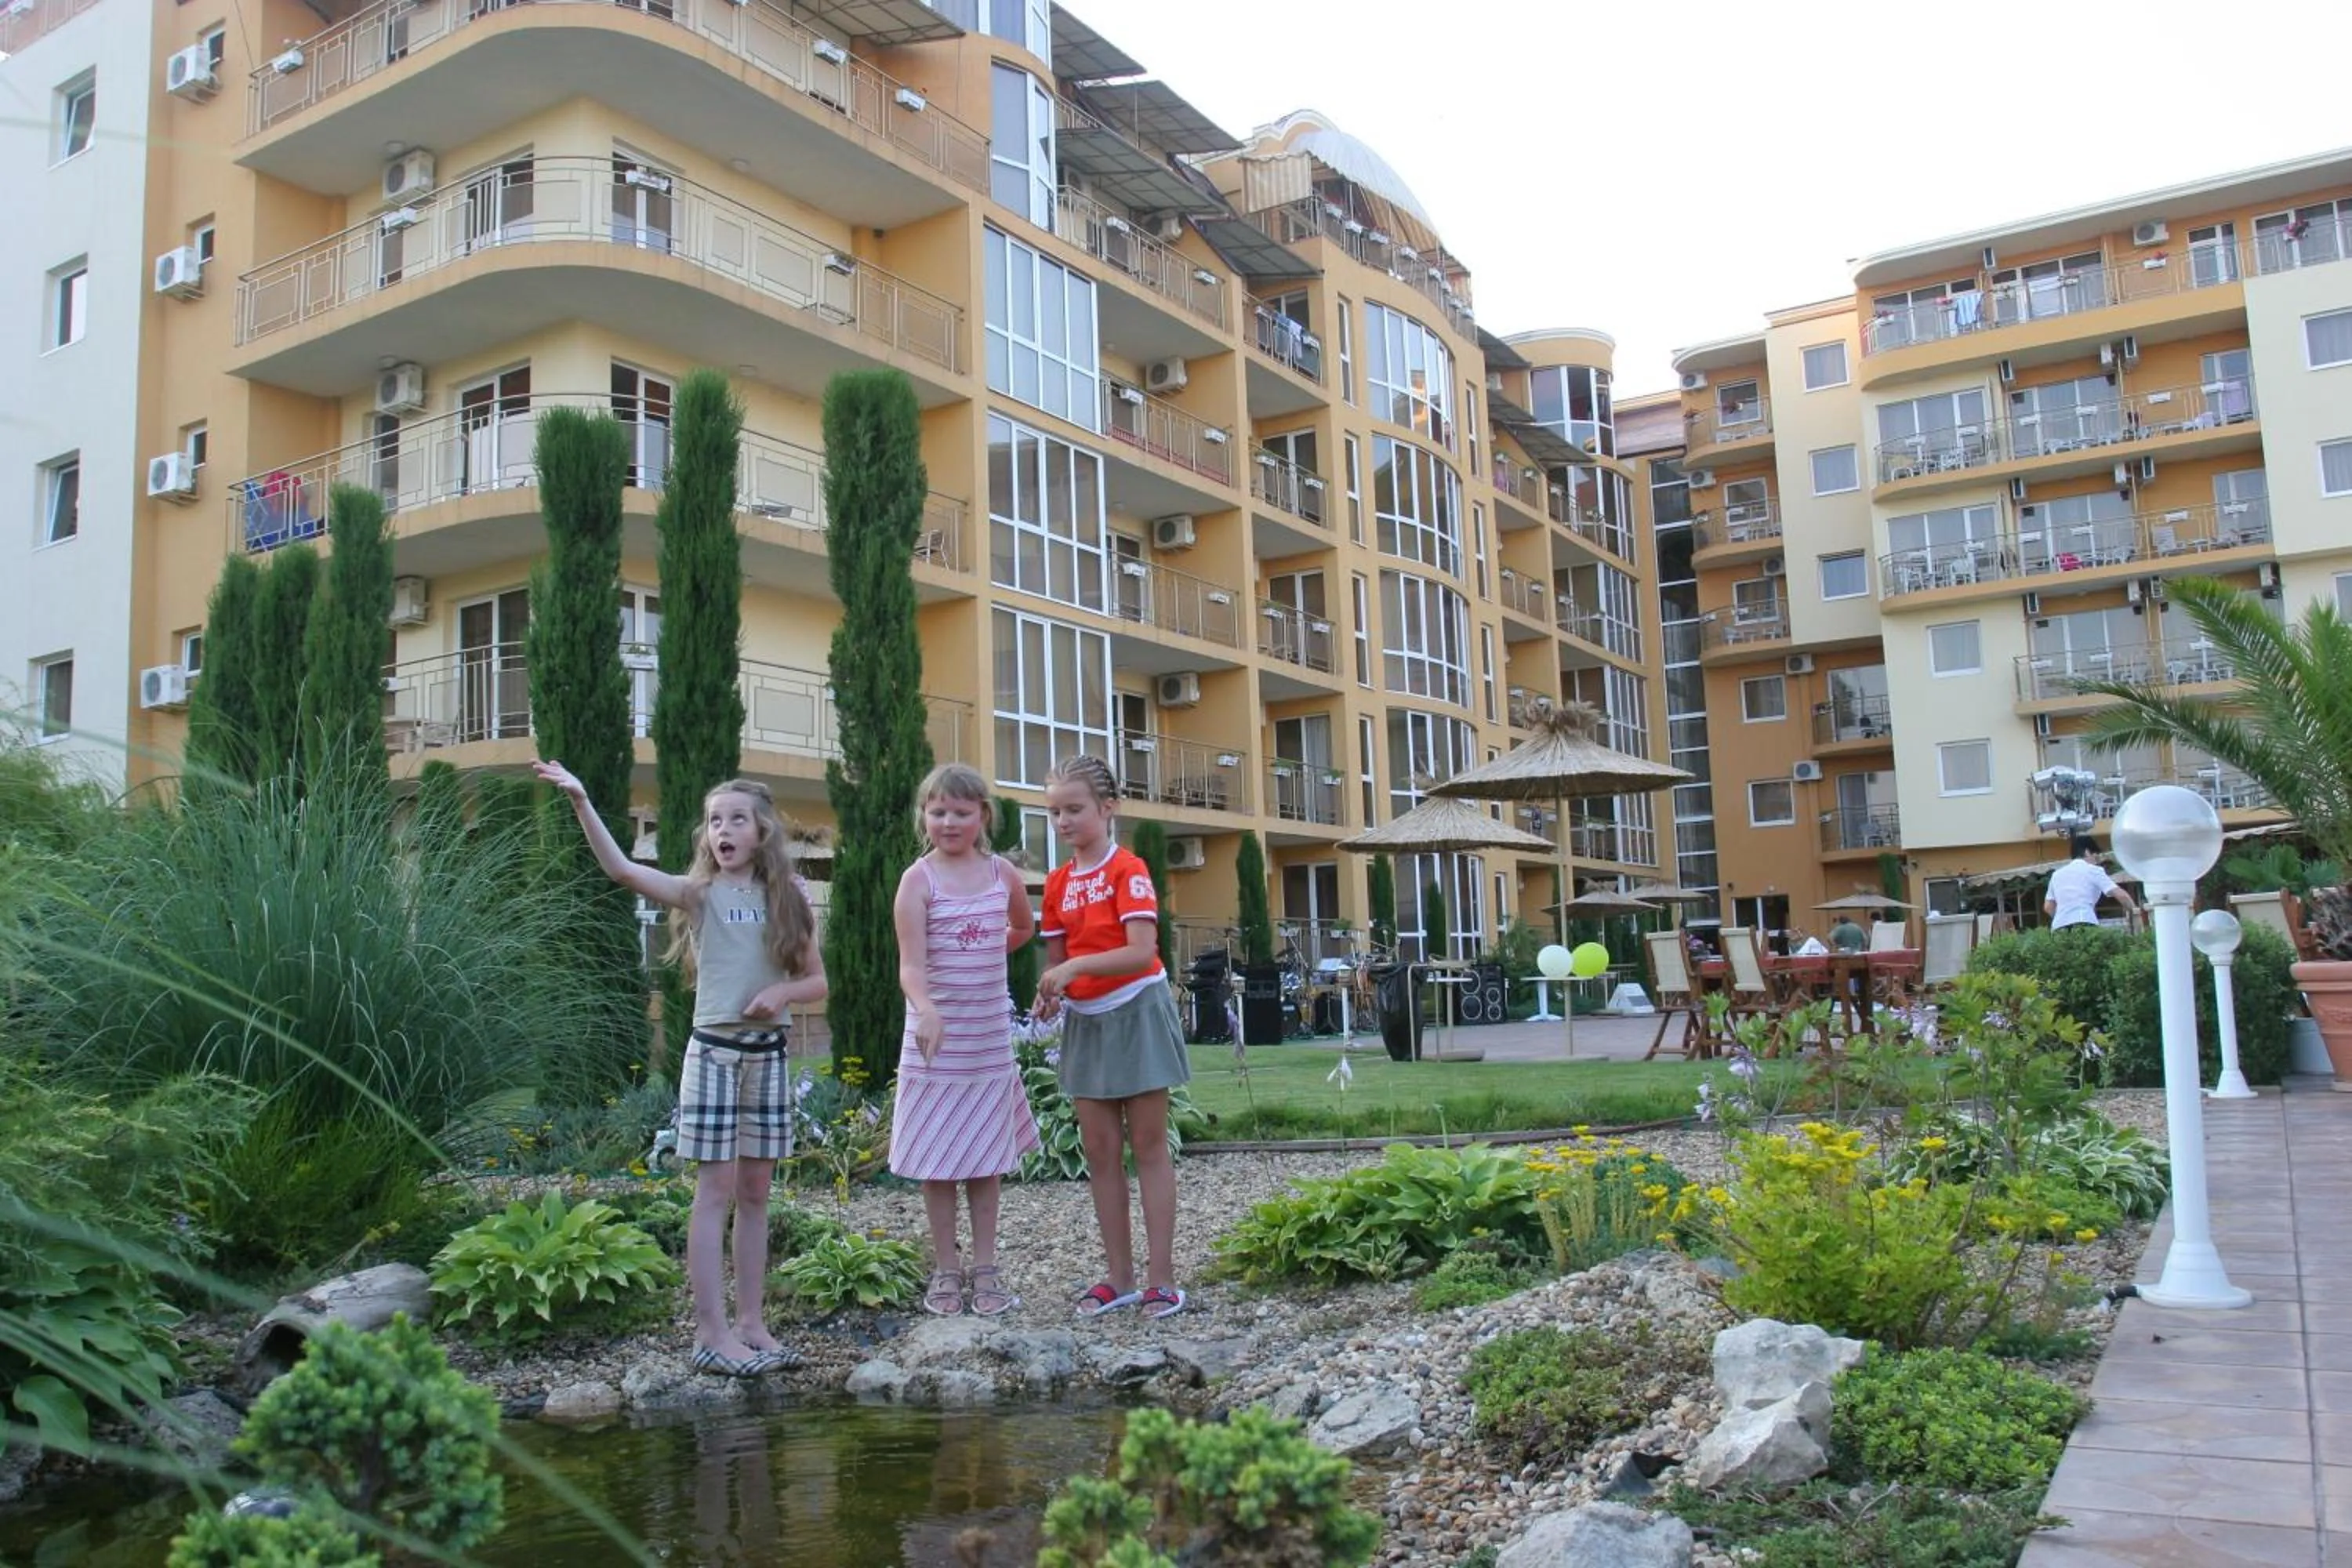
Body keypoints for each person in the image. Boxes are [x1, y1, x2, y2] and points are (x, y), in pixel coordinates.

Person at [535, 762, 826, 1378]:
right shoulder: (700, 894)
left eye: (736, 819)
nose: (722, 829)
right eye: (715, 820)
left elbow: (816, 979)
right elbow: (621, 870)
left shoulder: (790, 901)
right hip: (715, 1055)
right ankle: (710, 1333)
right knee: (714, 1192)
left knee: (756, 1194)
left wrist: (783, 995)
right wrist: (584, 799)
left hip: (767, 1058)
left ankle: (751, 1323)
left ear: (762, 833)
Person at [1033, 753, 1190, 1321]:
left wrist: (1072, 972)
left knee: (1148, 1146)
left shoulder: (1130, 869)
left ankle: (1162, 1279)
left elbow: (1141, 951)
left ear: (1107, 808)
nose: (1063, 822)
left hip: (1137, 1011)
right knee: (1100, 1153)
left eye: (1073, 809)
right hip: (1088, 1023)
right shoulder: (1055, 884)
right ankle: (1120, 1278)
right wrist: (1051, 990)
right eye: (1054, 813)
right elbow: (1057, 962)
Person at [891, 762, 1040, 1318]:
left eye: (960, 811)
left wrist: (983, 951)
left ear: (982, 816)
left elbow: (1024, 928)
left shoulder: (1003, 875)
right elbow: (910, 965)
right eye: (938, 811)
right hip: (934, 1044)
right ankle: (946, 1271)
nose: (949, 821)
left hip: (987, 1042)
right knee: (937, 1164)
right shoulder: (917, 879)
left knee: (984, 1161)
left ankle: (986, 1269)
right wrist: (926, 1008)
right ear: (924, 817)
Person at [2045, 834, 2140, 931]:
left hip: (2059, 927)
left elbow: (2048, 907)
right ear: (2087, 852)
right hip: (2084, 921)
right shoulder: (2094, 870)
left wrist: (2063, 919)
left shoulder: (2057, 874)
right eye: (2096, 857)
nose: (2096, 862)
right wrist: (2135, 910)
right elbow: (2120, 895)